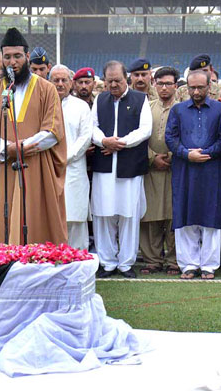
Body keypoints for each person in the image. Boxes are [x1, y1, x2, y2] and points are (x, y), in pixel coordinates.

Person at [0, 27, 68, 245]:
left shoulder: (47, 89)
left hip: (34, 166)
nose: (12, 62)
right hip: (1, 167)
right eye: (7, 57)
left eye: (17, 56)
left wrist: (23, 147)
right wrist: (7, 149)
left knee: (34, 221)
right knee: (1, 220)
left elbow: (53, 131)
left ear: (26, 57)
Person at [166, 69, 221, 279]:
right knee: (186, 214)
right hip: (185, 168)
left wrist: (207, 153)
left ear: (209, 87)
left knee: (211, 215)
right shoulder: (178, 110)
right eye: (191, 87)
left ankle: (209, 265)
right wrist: (187, 154)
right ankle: (189, 265)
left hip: (212, 169)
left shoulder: (220, 109)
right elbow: (171, 138)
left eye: (200, 87)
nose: (195, 91)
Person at [91, 60, 152, 278]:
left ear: (126, 78)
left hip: (129, 166)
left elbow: (145, 129)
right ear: (104, 80)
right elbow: (92, 127)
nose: (114, 85)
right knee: (103, 215)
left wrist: (121, 143)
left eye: (118, 80)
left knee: (129, 215)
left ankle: (126, 263)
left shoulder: (140, 99)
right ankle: (107, 262)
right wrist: (104, 141)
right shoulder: (100, 99)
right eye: (110, 81)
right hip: (104, 167)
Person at [140, 66, 179, 275]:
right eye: (160, 83)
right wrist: (152, 158)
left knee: (173, 215)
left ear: (175, 85)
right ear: (154, 84)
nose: (164, 88)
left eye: (168, 84)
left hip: (175, 169)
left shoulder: (183, 108)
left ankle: (174, 259)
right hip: (151, 168)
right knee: (151, 215)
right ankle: (152, 259)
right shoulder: (146, 107)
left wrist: (172, 157)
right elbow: (139, 135)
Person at [49, 64, 92, 250]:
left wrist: (65, 158)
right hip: (47, 169)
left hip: (73, 169)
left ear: (70, 83)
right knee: (50, 218)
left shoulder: (81, 107)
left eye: (63, 80)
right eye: (55, 80)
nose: (59, 84)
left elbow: (85, 137)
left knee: (75, 218)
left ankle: (78, 262)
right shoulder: (42, 105)